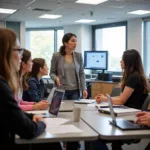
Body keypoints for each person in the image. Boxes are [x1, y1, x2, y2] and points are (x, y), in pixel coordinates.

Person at [50, 32, 88, 100]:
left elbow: (81, 74)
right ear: (66, 43)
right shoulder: (56, 56)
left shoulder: (78, 56)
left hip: (75, 91)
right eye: (73, 41)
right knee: (62, 109)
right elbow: (52, 73)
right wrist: (55, 78)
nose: (75, 43)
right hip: (61, 90)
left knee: (74, 109)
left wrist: (84, 88)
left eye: (76, 41)